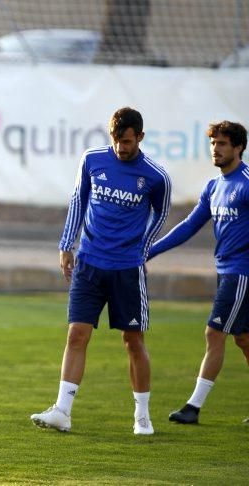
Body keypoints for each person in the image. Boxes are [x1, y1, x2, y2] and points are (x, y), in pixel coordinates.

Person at [30, 107, 171, 435]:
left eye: (126, 141)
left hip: (127, 270)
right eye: (116, 140)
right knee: (77, 334)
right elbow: (79, 200)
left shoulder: (155, 176)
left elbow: (160, 214)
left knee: (132, 340)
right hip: (89, 263)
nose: (121, 147)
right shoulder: (92, 160)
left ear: (139, 137)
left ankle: (142, 416)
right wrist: (67, 244)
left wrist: (143, 247)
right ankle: (62, 411)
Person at [147, 120, 249, 425]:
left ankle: (193, 407)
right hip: (227, 271)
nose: (215, 150)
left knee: (213, 333)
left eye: (222, 144)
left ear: (239, 148)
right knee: (243, 339)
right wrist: (150, 250)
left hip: (241, 273)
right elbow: (189, 226)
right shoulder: (214, 187)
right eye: (213, 144)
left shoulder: (246, 183)